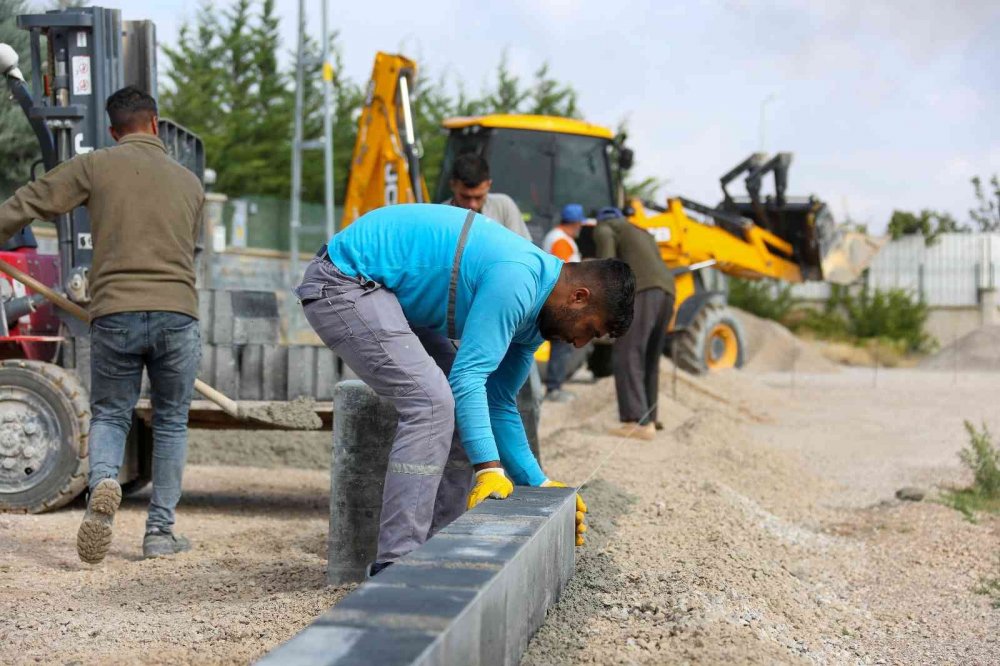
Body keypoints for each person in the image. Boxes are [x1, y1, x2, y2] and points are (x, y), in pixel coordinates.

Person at [296, 204, 635, 574]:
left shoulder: (535, 319)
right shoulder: (519, 279)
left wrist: (538, 484)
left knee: (461, 410)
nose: (581, 343)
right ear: (579, 297)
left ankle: (440, 549)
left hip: (390, 294)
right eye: (590, 329)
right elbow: (468, 378)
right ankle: (395, 564)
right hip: (345, 280)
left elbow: (498, 401)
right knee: (431, 403)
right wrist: (488, 468)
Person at [0, 86, 204, 562]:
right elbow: (190, 250)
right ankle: (159, 533)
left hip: (115, 311)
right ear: (155, 125)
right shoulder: (190, 183)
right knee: (172, 421)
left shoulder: (96, 165)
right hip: (177, 311)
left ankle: (103, 487)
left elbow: (33, 199)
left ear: (113, 132)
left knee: (112, 412)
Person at [593, 207, 676, 441]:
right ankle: (650, 416)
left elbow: (607, 266)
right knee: (649, 356)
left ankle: (636, 421)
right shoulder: (642, 231)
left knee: (627, 352)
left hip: (643, 290)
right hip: (668, 292)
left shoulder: (606, 227)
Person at [541, 203, 585, 402]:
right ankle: (554, 388)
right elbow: (565, 274)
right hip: (560, 301)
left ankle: (554, 386)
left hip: (556, 298)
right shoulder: (561, 241)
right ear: (576, 223)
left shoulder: (557, 237)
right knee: (561, 344)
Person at [444, 153, 532, 240]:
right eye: (465, 197)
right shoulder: (442, 216)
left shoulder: (503, 206)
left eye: (479, 197)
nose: (472, 204)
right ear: (452, 185)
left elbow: (520, 249)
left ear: (489, 185)